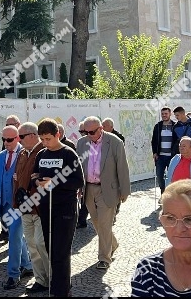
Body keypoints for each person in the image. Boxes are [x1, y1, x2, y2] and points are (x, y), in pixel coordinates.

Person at [33, 118, 84, 297]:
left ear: (58, 135)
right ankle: (62, 285)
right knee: (51, 250)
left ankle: (60, 291)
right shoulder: (41, 154)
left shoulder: (69, 154)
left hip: (65, 210)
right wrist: (37, 181)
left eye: (48, 139)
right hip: (46, 209)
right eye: (42, 139)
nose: (45, 143)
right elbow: (35, 175)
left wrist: (54, 182)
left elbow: (78, 181)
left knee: (61, 252)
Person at [77, 116, 130, 270]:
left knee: (105, 224)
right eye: (85, 132)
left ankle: (104, 258)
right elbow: (79, 167)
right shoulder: (82, 143)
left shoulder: (114, 142)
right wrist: (78, 187)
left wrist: (124, 190)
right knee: (97, 223)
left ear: (101, 129)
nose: (88, 135)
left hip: (108, 189)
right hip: (88, 188)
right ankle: (112, 243)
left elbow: (122, 167)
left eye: (92, 132)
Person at [14, 122, 49, 294]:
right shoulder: (21, 153)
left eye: (21, 136)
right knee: (31, 245)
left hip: (40, 208)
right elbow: (17, 181)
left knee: (42, 243)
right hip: (25, 208)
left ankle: (54, 279)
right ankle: (40, 280)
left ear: (33, 135)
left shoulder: (44, 152)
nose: (17, 140)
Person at [0, 126, 32, 289]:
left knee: (14, 238)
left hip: (19, 205)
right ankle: (29, 266)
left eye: (9, 139)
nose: (6, 142)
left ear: (18, 138)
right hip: (4, 203)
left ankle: (13, 275)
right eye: (4, 139)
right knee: (16, 237)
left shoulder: (26, 155)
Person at [151, 107, 176, 197]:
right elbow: (154, 141)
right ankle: (163, 191)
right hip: (160, 156)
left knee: (171, 176)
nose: (164, 115)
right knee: (159, 175)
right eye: (162, 114)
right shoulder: (157, 126)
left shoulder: (175, 126)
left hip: (172, 156)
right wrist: (154, 152)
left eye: (166, 113)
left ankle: (170, 193)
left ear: (170, 114)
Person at [76, 120, 90, 229]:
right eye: (80, 131)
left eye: (83, 131)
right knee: (84, 200)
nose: (82, 133)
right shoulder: (80, 142)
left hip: (98, 180)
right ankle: (82, 220)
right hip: (84, 178)